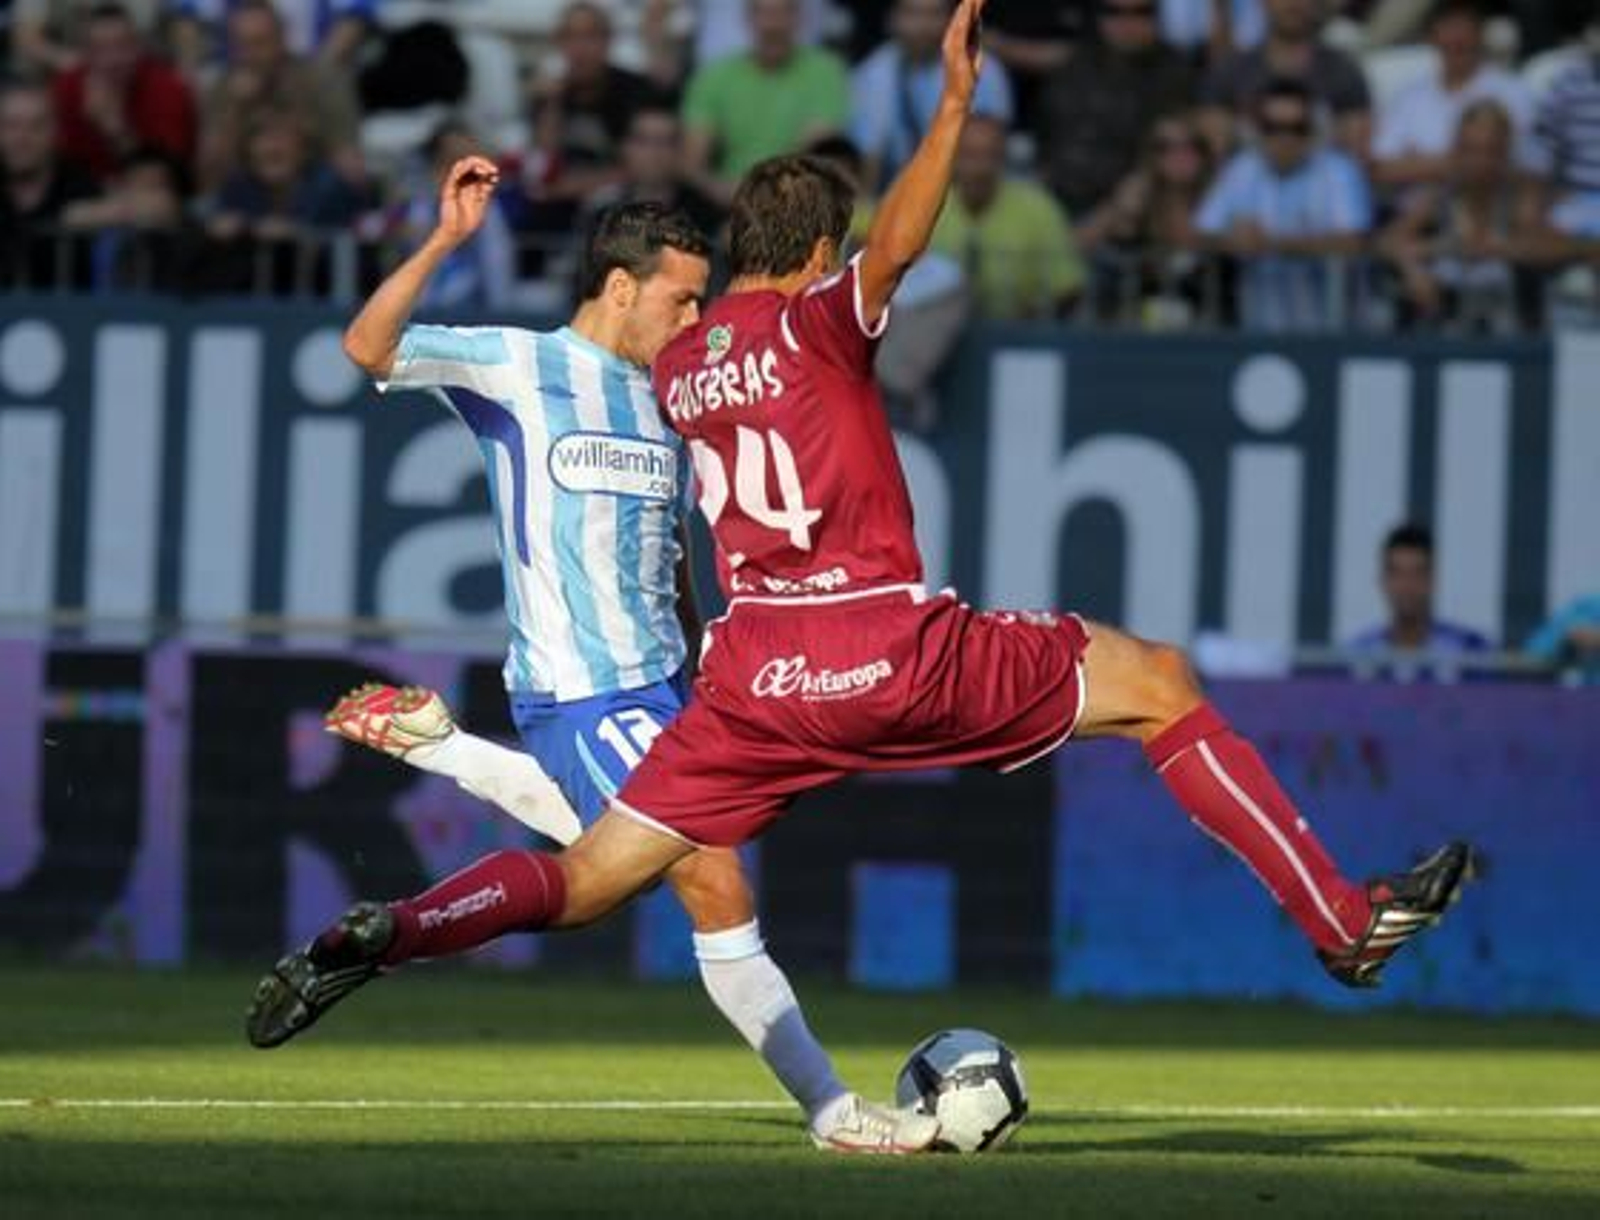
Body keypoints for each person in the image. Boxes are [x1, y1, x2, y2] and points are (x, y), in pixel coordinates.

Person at [254, 0, 1473, 1085]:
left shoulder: (676, 363)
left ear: (726, 266)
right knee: (1157, 679)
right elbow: (899, 243)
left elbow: (691, 353)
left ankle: (399, 930)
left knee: (589, 880)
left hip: (751, 690)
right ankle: (1336, 919)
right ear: (819, 261)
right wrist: (951, 106)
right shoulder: (818, 325)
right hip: (885, 646)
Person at [245, 182, 936, 1156]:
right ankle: (832, 1109)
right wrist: (446, 237)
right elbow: (367, 346)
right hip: (582, 685)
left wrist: (708, 653)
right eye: (682, 300)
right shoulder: (520, 365)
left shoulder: (669, 394)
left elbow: (672, 547)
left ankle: (435, 780)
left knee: (614, 864)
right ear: (620, 285)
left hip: (669, 684)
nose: (694, 319)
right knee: (707, 874)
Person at [1195, 77, 1373, 331]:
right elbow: (1202, 232)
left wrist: (1273, 243)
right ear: (1257, 128)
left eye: (1296, 127)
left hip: (1332, 332)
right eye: (1273, 127)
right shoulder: (1242, 169)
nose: (1285, 138)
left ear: (1313, 128)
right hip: (1257, 328)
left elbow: (1354, 241)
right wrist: (1232, 239)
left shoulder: (1338, 170)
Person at [1371, 0, 1535, 193]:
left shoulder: (1513, 92)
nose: (1456, 38)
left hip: (1491, 212)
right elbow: (1380, 169)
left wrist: (1418, 162)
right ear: (1431, 37)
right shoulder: (1410, 97)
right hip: (1419, 217)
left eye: (1464, 27)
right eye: (1448, 27)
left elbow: (1525, 167)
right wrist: (1459, 162)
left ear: (1480, 34)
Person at [1344, 523, 1492, 660]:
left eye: (1417, 573)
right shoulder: (1358, 655)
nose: (1407, 586)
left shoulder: (1469, 650)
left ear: (1432, 580)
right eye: (1397, 574)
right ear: (1382, 581)